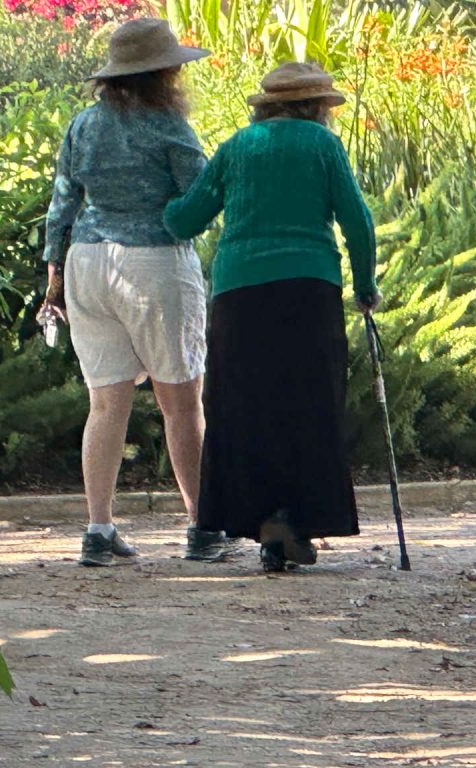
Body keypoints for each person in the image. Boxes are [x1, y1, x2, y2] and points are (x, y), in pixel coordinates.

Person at [163, 62, 380, 572]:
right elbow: (357, 220)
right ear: (318, 109)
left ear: (266, 106)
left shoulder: (238, 146)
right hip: (309, 289)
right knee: (309, 403)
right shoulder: (323, 146)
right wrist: (365, 285)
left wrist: (157, 197)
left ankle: (263, 524)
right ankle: (297, 521)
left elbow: (185, 218)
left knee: (246, 408)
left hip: (240, 295)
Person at [38, 18, 233, 567]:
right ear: (162, 74)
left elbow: (62, 205)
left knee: (104, 404)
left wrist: (53, 280)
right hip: (152, 262)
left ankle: (98, 530)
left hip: (86, 263)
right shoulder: (168, 125)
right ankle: (202, 526)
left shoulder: (83, 125)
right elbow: (197, 200)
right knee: (180, 402)